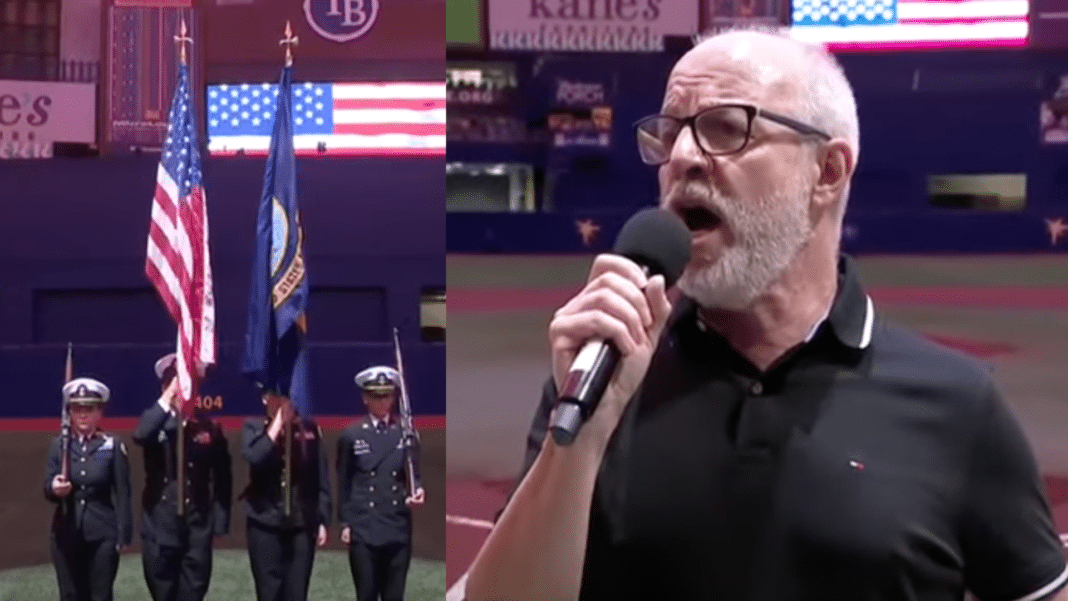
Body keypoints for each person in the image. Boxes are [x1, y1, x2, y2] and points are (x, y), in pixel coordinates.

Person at [463, 27, 1068, 601]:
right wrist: (581, 440)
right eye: (670, 133)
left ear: (826, 173)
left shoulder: (958, 405)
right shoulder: (601, 383)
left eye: (726, 128)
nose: (682, 157)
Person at [132, 353, 232, 601]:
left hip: (196, 527)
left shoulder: (209, 429)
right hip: (161, 526)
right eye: (177, 383)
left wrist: (219, 521)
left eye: (189, 384)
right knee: (163, 592)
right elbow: (141, 434)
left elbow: (223, 478)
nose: (184, 390)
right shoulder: (154, 424)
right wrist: (169, 396)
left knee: (194, 591)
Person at [338, 366, 426, 601]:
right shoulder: (352, 435)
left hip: (396, 526)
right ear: (365, 398)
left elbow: (413, 474)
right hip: (365, 527)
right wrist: (346, 522)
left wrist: (417, 491)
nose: (382, 401)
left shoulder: (406, 434)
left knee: (394, 596)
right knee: (366, 595)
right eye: (376, 396)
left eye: (387, 395)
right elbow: (345, 481)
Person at [44, 377, 132, 601]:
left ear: (99, 412)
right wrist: (55, 488)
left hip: (102, 531)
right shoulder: (59, 446)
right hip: (66, 530)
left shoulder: (111, 445)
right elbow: (47, 486)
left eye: (89, 409)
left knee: (100, 595)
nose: (82, 414)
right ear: (69, 413)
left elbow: (122, 491)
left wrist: (123, 534)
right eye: (76, 408)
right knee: (71, 594)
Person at [241, 392, 330, 601]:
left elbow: (321, 477)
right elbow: (256, 457)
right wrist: (278, 423)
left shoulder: (308, 429)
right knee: (269, 592)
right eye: (276, 395)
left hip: (301, 523)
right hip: (264, 522)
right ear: (265, 399)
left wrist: (322, 517)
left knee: (297, 593)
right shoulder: (254, 428)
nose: (284, 401)